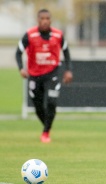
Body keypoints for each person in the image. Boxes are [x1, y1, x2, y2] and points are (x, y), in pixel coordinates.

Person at [15, 9, 73, 143]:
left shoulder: (58, 35)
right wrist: (21, 68)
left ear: (51, 20)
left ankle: (45, 132)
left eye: (47, 18)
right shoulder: (30, 35)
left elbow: (67, 52)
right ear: (38, 20)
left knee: (52, 102)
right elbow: (18, 52)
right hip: (34, 75)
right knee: (38, 106)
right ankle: (47, 127)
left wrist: (68, 70)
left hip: (52, 73)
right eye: (42, 18)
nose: (45, 21)